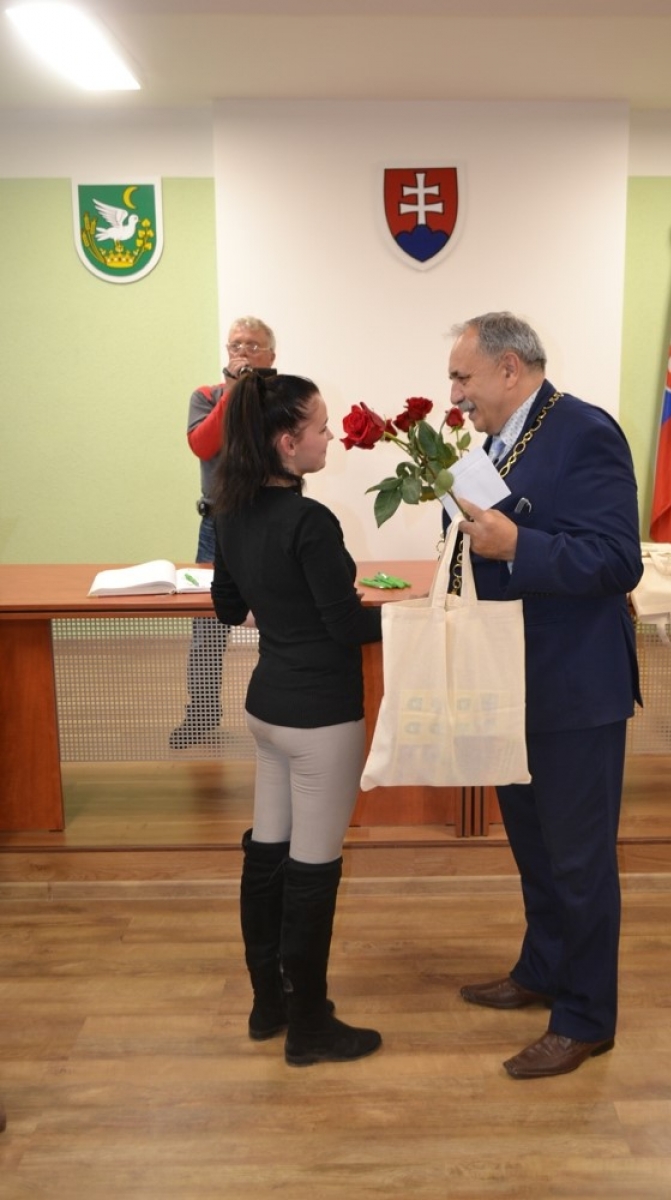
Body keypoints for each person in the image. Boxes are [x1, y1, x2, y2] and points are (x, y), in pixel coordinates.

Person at [448, 311, 643, 1079]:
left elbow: (616, 560)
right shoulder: (496, 441)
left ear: (509, 369)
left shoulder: (585, 432)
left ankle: (587, 1018)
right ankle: (543, 967)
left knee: (580, 861)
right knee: (535, 847)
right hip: (513, 678)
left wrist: (518, 546)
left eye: (463, 377)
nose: (455, 393)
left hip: (575, 687)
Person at [210, 371, 383, 1067]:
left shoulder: (229, 510)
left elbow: (229, 608)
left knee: (267, 852)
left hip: (268, 710)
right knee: (313, 867)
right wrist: (413, 617)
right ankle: (310, 1027)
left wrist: (284, 603)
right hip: (319, 720)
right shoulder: (310, 522)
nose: (330, 436)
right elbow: (346, 627)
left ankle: (269, 1005)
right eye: (319, 427)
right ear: (288, 442)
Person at [169, 317, 277, 749]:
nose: (243, 352)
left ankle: (277, 710)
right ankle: (201, 714)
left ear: (271, 355)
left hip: (269, 519)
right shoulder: (207, 396)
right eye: (236, 345)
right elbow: (203, 445)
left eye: (253, 345)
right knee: (208, 623)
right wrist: (233, 392)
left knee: (279, 614)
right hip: (217, 524)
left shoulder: (280, 397)